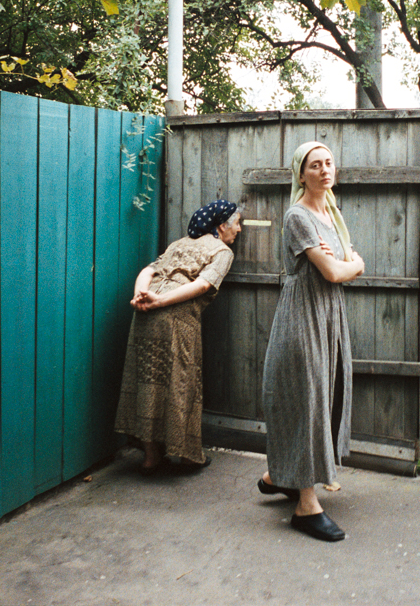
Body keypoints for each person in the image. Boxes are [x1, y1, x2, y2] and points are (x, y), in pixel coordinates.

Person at [258, 142, 364, 542]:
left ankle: (280, 476)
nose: (323, 170)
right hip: (303, 317)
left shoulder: (331, 215)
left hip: (328, 316)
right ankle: (305, 506)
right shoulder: (298, 216)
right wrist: (353, 264)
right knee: (306, 400)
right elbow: (337, 271)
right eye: (314, 165)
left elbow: (341, 263)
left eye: (328, 163)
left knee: (326, 394)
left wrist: (344, 263)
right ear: (300, 174)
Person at [114, 199, 242, 475]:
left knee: (147, 380)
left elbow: (148, 271)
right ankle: (187, 456)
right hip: (175, 319)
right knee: (181, 382)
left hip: (144, 315)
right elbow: (203, 284)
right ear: (221, 226)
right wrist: (159, 302)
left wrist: (141, 296)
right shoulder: (222, 251)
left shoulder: (179, 243)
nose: (239, 229)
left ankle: (151, 457)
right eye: (237, 223)